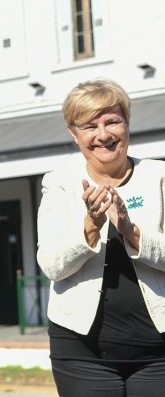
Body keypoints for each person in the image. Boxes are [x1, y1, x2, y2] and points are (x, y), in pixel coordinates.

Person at [37, 78, 165, 396]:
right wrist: (90, 226)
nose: (103, 135)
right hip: (81, 353)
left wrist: (130, 230)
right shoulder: (59, 184)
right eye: (89, 126)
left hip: (158, 352)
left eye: (112, 122)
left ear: (127, 123)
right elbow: (52, 265)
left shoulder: (159, 177)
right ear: (73, 133)